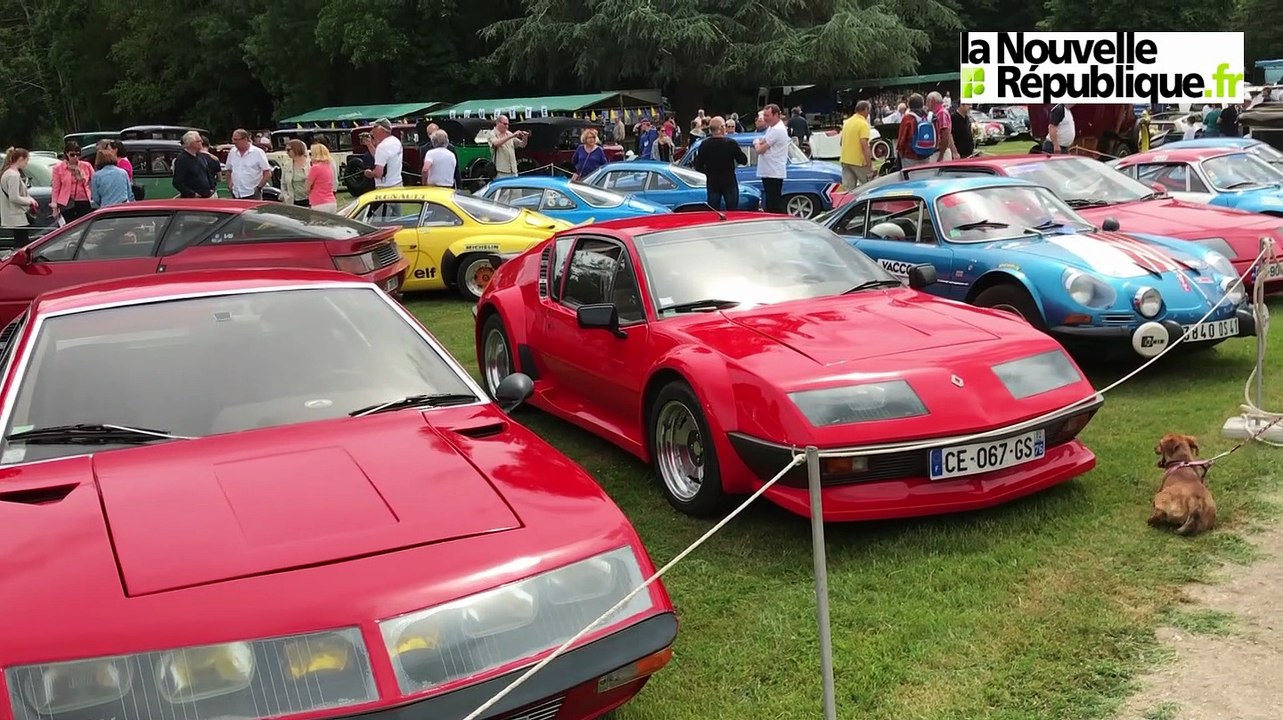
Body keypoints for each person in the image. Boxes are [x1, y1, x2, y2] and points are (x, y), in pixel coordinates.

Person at [692, 116, 747, 210]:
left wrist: (708, 172)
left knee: (713, 211)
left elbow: (698, 165)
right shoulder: (731, 143)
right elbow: (743, 160)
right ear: (721, 127)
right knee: (732, 211)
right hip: (729, 181)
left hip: (713, 181)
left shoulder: (705, 145)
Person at [753, 104, 790, 213]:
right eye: (764, 115)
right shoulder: (771, 128)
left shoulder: (777, 129)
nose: (765, 118)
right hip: (768, 170)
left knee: (774, 203)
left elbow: (760, 149)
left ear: (776, 115)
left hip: (773, 171)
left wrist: (756, 143)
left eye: (767, 115)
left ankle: (777, 222)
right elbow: (763, 142)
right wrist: (759, 143)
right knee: (770, 201)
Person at [1, 148, 40, 246]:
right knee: (22, 243)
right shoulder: (13, 175)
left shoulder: (8, 173)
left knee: (20, 241)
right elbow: (14, 197)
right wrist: (30, 201)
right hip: (17, 216)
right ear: (21, 159)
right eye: (26, 160)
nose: (26, 164)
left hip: (14, 215)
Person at [51, 141, 94, 224]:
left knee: (85, 224)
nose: (75, 157)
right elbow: (56, 188)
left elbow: (93, 181)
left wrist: (80, 174)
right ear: (66, 154)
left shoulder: (86, 166)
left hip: (84, 200)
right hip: (67, 201)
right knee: (70, 225)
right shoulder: (58, 168)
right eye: (72, 155)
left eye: (78, 155)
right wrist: (54, 206)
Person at [226, 128, 272, 199]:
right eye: (233, 139)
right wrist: (230, 185)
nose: (234, 142)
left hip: (252, 193)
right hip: (236, 193)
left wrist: (258, 188)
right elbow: (229, 170)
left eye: (236, 140)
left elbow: (267, 173)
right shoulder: (232, 152)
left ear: (245, 139)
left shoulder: (258, 152)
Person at [839, 101, 873, 190]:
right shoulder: (863, 124)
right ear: (865, 110)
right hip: (858, 161)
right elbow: (864, 145)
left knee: (848, 190)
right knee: (868, 187)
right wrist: (869, 165)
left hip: (845, 160)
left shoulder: (847, 122)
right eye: (869, 110)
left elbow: (841, 142)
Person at [895, 94, 934, 168]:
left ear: (909, 105)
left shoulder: (908, 119)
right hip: (926, 154)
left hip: (910, 156)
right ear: (922, 104)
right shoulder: (929, 118)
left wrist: (900, 152)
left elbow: (902, 138)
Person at [173, 130, 216, 198]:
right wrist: (193, 194)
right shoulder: (182, 160)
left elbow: (207, 173)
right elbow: (177, 182)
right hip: (193, 200)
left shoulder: (200, 156)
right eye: (198, 141)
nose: (202, 142)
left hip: (207, 196)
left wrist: (212, 188)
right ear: (191, 143)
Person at [363, 118, 403, 188]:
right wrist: (369, 145)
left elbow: (378, 174)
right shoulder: (396, 141)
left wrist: (369, 173)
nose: (372, 131)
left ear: (381, 130)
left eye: (374, 127)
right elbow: (382, 158)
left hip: (385, 187)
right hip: (397, 183)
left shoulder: (382, 147)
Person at [306, 143, 338, 213]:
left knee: (317, 223)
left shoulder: (315, 168)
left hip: (319, 203)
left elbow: (307, 187)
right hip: (331, 201)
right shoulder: (328, 166)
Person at [279, 139, 311, 206]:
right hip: (293, 201)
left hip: (309, 200)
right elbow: (283, 183)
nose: (287, 153)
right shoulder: (287, 165)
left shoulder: (310, 164)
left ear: (296, 149)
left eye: (288, 150)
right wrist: (285, 196)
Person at [928, 92, 956, 162]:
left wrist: (941, 156)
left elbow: (945, 135)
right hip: (938, 152)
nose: (926, 103)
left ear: (932, 101)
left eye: (927, 100)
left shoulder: (941, 113)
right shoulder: (937, 113)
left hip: (940, 153)